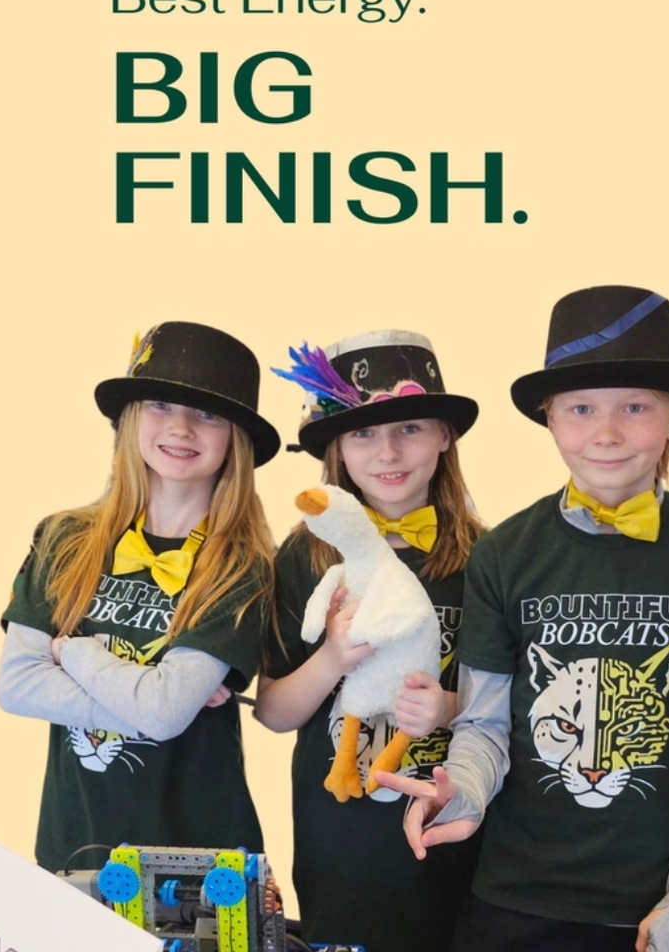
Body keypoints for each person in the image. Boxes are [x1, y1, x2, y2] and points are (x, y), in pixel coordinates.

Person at [377, 285, 669, 952]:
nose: (605, 433)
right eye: (581, 409)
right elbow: (485, 722)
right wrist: (458, 794)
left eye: (634, 407)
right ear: (550, 418)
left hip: (653, 905)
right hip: (513, 895)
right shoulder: (504, 554)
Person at [0, 321, 280, 872]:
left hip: (204, 860)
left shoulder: (242, 566)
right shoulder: (64, 537)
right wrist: (150, 702)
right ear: (130, 419)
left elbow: (166, 712)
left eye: (207, 414)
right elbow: (15, 685)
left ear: (234, 440)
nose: (181, 428)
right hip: (74, 845)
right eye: (159, 404)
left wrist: (73, 654)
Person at [255, 329, 485, 952]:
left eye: (409, 427)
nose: (387, 450)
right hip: (339, 850)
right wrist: (331, 656)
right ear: (336, 448)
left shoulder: (487, 558)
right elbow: (275, 713)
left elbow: (512, 704)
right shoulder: (306, 557)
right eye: (362, 432)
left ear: (444, 435)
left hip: (449, 838)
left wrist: (449, 706)